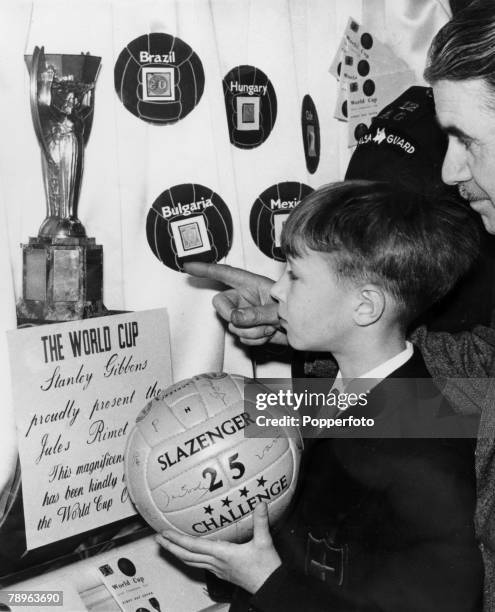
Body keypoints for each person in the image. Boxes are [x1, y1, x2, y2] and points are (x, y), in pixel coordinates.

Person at [183, 5, 495, 610]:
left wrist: (270, 586)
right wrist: (296, 326)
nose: (450, 170)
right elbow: (454, 376)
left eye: (467, 140)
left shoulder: (426, 461)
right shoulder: (402, 397)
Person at [158, 180, 482, 611]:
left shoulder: (424, 453)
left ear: (365, 307)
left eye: (294, 274)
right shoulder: (342, 391)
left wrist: (264, 581)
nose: (275, 290)